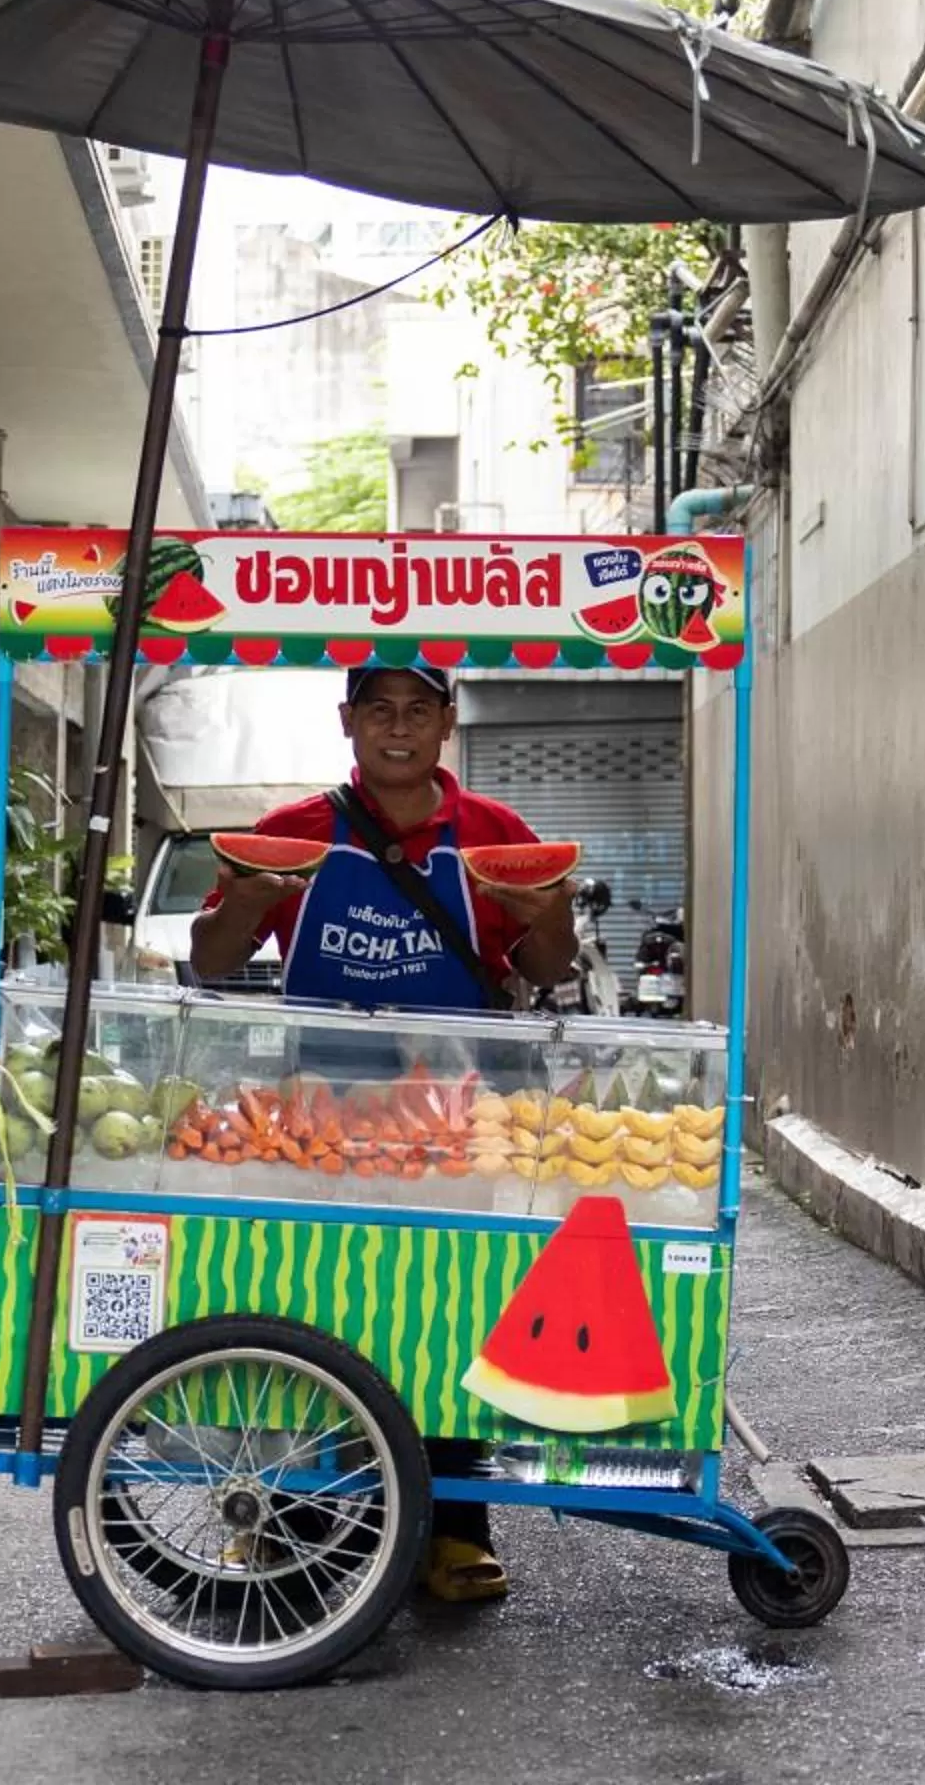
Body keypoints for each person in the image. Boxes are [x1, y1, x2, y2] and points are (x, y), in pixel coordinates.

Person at [190, 663, 577, 1606]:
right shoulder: (291, 832)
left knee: (448, 1312)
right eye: (378, 710)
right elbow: (209, 959)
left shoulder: (494, 835)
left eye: (417, 711)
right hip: (316, 1119)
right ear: (348, 721)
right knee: (303, 1314)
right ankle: (283, 1523)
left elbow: (548, 968)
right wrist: (250, 892)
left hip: (454, 1122)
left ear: (447, 722)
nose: (397, 728)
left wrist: (547, 912)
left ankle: (452, 1529)